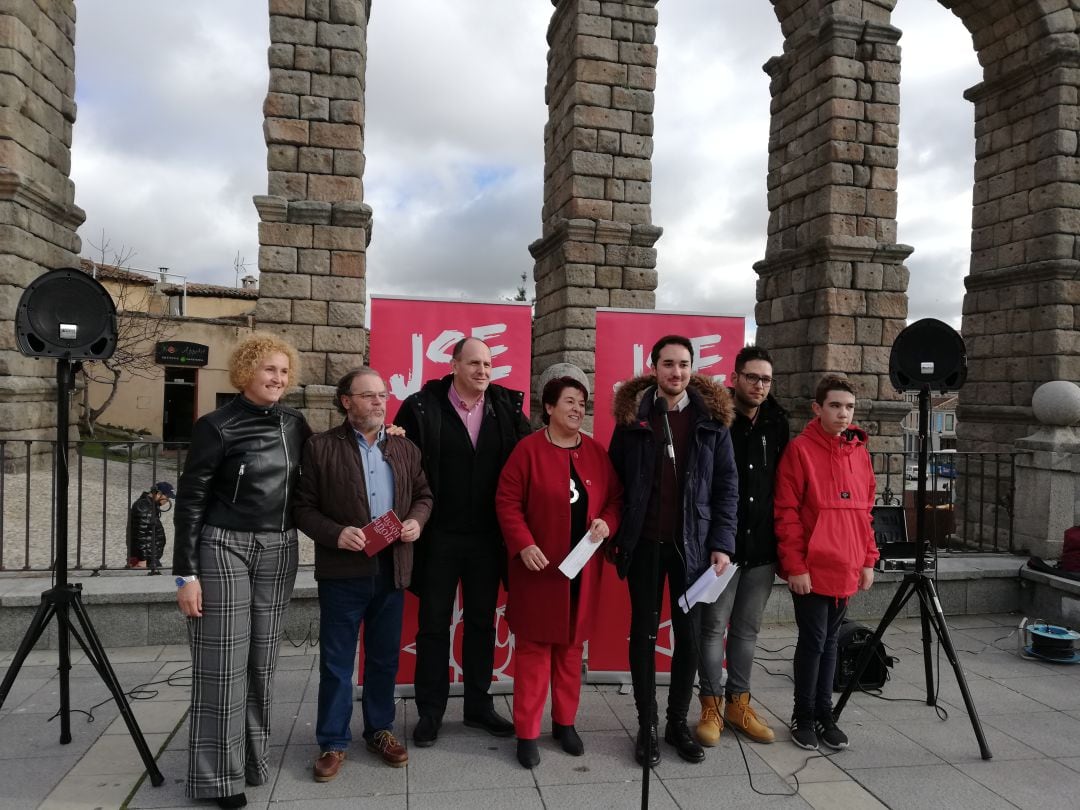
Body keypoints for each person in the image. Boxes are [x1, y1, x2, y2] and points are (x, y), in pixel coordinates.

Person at [173, 333, 312, 809]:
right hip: (223, 547)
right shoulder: (216, 425)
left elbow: (324, 471)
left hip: (280, 549)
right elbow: (190, 501)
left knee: (260, 661)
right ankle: (218, 779)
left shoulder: (295, 423)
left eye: (284, 371)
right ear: (247, 372)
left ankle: (252, 760)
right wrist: (185, 575)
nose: (278, 378)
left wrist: (385, 439)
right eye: (269, 370)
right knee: (221, 666)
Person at [294, 367, 433, 780]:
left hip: (392, 569)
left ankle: (379, 730)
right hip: (342, 572)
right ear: (346, 401)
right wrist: (336, 534)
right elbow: (302, 508)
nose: (378, 401)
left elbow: (424, 494)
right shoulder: (320, 447)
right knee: (337, 663)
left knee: (384, 659)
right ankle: (334, 742)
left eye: (382, 395)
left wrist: (417, 522)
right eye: (368, 395)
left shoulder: (404, 448)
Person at [394, 336, 531, 746]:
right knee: (433, 626)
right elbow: (400, 465)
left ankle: (478, 707)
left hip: (488, 539)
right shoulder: (421, 407)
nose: (483, 371)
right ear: (453, 365)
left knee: (481, 624)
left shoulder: (507, 408)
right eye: (474, 363)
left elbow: (528, 462)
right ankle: (430, 713)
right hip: (438, 537)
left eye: (488, 364)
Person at [608, 335, 739, 767]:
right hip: (644, 544)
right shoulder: (633, 418)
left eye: (683, 364)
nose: (676, 372)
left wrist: (722, 543)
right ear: (653, 367)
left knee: (688, 638)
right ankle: (645, 726)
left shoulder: (713, 422)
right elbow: (615, 482)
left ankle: (676, 722)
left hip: (694, 550)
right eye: (668, 364)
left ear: (692, 369)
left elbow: (726, 488)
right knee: (644, 635)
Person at [495, 374, 623, 768]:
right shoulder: (527, 451)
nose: (576, 409)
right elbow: (507, 501)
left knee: (571, 652)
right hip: (539, 570)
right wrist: (524, 542)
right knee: (534, 653)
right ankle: (527, 732)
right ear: (548, 408)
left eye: (581, 402)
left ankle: (564, 723)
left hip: (581, 573)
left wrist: (606, 522)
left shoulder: (597, 453)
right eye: (568, 401)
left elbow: (616, 500)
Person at [774, 374, 877, 752]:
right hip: (813, 566)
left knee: (831, 641)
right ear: (818, 408)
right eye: (835, 405)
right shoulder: (800, 450)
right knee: (814, 640)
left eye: (849, 407)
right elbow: (786, 512)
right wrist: (795, 565)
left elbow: (865, 512)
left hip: (846, 564)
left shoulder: (860, 453)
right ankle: (804, 713)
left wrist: (868, 560)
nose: (843, 413)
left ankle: (824, 713)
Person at [695, 346, 788, 745]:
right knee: (713, 628)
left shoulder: (778, 423)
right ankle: (711, 706)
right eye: (752, 377)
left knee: (747, 631)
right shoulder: (716, 419)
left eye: (766, 379)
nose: (759, 385)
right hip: (722, 547)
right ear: (735, 378)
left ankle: (739, 703)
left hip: (763, 547)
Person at [127, 481, 174, 574]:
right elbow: (140, 535)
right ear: (159, 494)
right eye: (167, 497)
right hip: (146, 559)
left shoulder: (148, 505)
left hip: (149, 556)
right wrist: (142, 559)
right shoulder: (144, 507)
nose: (167, 500)